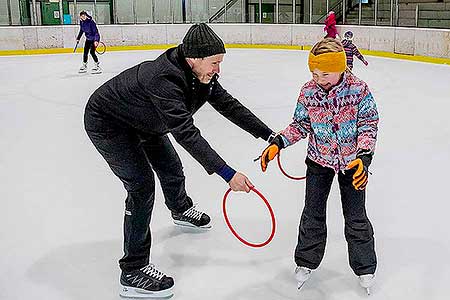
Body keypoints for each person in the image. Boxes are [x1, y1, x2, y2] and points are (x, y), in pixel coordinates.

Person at [84, 23, 275, 298]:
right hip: (109, 123)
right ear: (193, 58)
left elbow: (229, 105)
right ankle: (133, 270)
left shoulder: (201, 77)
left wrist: (267, 134)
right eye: (214, 63)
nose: (217, 70)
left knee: (172, 168)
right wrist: (227, 174)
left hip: (145, 121)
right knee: (141, 187)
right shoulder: (163, 79)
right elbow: (186, 133)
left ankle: (180, 208)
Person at [259, 38, 379, 293]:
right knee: (312, 212)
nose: (319, 78)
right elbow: (300, 124)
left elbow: (368, 124)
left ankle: (365, 266)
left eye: (324, 73)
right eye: (314, 73)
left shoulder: (358, 90)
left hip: (352, 164)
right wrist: (278, 142)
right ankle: (306, 261)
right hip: (319, 161)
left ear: (341, 68)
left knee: (356, 217)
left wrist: (364, 157)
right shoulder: (308, 91)